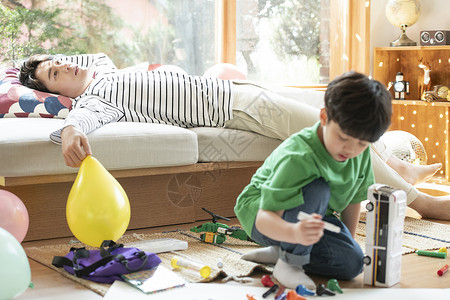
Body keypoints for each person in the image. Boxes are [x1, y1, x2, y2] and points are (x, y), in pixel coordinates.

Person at [18, 53, 449, 221]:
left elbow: (93, 57)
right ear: (54, 91)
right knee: (333, 127)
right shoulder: (95, 99)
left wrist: (46, 62)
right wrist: (71, 128)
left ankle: (398, 166)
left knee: (338, 112)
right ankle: (422, 202)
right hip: (232, 108)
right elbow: (76, 124)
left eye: (61, 61)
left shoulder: (105, 70)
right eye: (54, 74)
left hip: (238, 91)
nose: (66, 67)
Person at [234, 71, 392, 289]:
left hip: (310, 214)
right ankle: (289, 263)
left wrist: (347, 242)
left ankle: (282, 250)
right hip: (261, 213)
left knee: (352, 263)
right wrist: (294, 233)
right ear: (324, 117)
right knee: (318, 188)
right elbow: (264, 218)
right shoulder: (299, 157)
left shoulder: (359, 151)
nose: (351, 149)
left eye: (362, 143)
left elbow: (354, 199)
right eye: (343, 138)